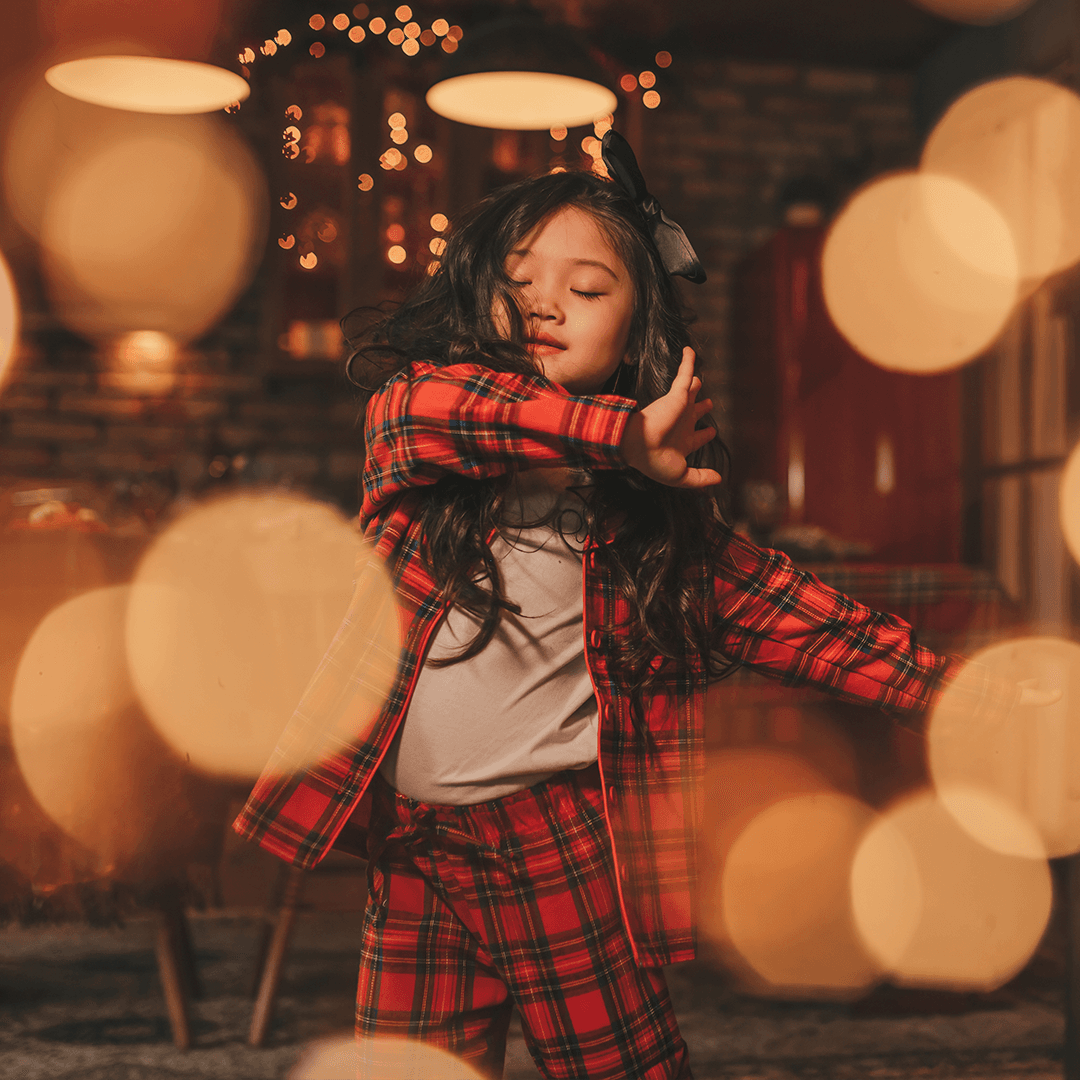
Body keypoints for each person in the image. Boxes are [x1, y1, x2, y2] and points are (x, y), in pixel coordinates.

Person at [234, 134, 1043, 1080]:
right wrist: (617, 437)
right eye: (519, 279)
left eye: (586, 290)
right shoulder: (419, 429)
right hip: (416, 846)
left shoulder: (651, 528)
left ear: (638, 331)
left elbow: (799, 613)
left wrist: (966, 698)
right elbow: (438, 407)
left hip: (558, 844)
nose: (544, 303)